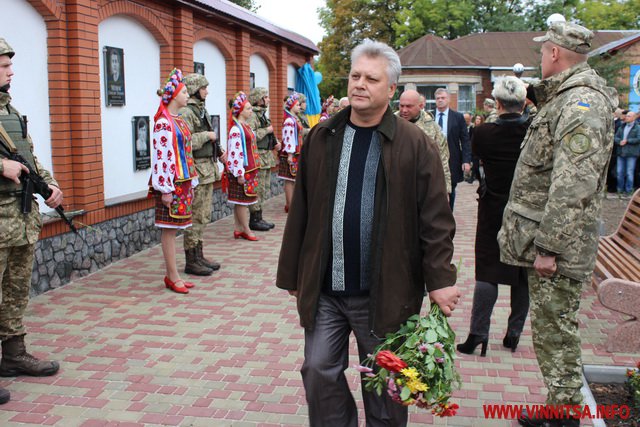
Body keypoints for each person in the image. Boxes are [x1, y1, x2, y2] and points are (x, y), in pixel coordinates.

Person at [276, 39, 460, 426]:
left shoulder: (414, 144)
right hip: (327, 288)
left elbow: (436, 218)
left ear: (390, 90)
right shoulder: (322, 138)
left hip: (385, 290)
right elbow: (302, 211)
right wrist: (294, 273)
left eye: (371, 79)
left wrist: (440, 280)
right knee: (318, 370)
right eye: (355, 75)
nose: (359, 84)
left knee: (386, 382)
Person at [497, 21, 618, 427]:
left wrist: (548, 247)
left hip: (558, 246)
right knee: (550, 329)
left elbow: (574, 184)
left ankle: (565, 414)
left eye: (542, 50)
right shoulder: (569, 98)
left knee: (555, 331)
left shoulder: (581, 104)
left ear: (554, 53)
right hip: (555, 240)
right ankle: (561, 405)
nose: (540, 56)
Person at [0, 37, 63, 406]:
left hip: (20, 219)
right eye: (5, 65)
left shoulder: (11, 110)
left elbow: (30, 155)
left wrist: (50, 183)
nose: (11, 71)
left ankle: (13, 353)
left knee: (15, 293)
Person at [457, 76, 530, 357]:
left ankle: (478, 333)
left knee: (488, 270)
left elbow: (477, 162)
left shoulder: (483, 133)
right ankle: (514, 332)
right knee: (522, 271)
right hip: (526, 210)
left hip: (493, 208)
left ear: (497, 103)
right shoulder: (533, 132)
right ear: (523, 103)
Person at [150, 68, 198, 294]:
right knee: (169, 230)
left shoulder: (177, 120)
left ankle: (173, 274)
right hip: (171, 183)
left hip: (183, 181)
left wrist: (193, 182)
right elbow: (161, 157)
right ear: (174, 95)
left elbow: (186, 153)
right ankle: (172, 275)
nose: (188, 95)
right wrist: (165, 189)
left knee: (176, 228)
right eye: (185, 91)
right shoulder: (163, 122)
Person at [179, 73, 224, 276]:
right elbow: (185, 141)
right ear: (196, 88)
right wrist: (207, 135)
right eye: (204, 87)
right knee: (196, 215)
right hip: (197, 169)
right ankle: (191, 260)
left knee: (203, 215)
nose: (207, 91)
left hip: (207, 169)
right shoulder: (187, 112)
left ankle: (199, 254)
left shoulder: (200, 110)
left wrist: (221, 153)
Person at [397, 89, 451, 193]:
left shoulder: (432, 127)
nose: (404, 110)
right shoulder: (392, 123)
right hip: (397, 185)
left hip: (423, 185)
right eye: (401, 105)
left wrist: (445, 190)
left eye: (409, 106)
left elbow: (443, 159)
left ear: (420, 106)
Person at [225, 92, 260, 241]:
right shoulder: (236, 129)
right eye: (248, 108)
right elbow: (235, 152)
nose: (251, 111)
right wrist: (239, 172)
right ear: (240, 111)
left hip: (250, 169)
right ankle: (246, 229)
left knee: (242, 200)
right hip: (242, 170)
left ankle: (238, 228)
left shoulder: (245, 126)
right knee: (242, 202)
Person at [247, 87, 281, 231]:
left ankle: (259, 216)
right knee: (258, 188)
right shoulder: (252, 116)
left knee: (264, 188)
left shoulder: (262, 115)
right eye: (265, 97)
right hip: (258, 156)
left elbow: (269, 132)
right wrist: (267, 131)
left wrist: (276, 141)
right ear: (258, 99)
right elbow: (250, 135)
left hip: (266, 156)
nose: (268, 99)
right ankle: (254, 218)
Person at [434, 88, 471, 209]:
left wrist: (466, 160)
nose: (440, 100)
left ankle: (448, 215)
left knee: (450, 189)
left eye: (443, 98)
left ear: (448, 99)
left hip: (452, 159)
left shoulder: (458, 117)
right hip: (432, 159)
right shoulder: (428, 116)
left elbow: (465, 140)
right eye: (438, 98)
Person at [278, 93, 303, 213]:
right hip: (290, 153)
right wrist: (290, 154)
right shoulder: (289, 120)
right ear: (291, 106)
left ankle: (291, 203)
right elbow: (288, 137)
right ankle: (289, 204)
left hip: (295, 152)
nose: (300, 107)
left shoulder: (293, 118)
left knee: (293, 179)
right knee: (289, 179)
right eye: (297, 105)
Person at [614, 110, 639, 197]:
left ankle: (628, 191)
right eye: (626, 116)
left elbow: (638, 139)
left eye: (628, 116)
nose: (626, 117)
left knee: (629, 172)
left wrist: (627, 141)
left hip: (631, 154)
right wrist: (619, 141)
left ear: (633, 118)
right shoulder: (622, 127)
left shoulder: (637, 128)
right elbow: (616, 137)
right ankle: (619, 189)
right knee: (619, 172)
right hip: (621, 153)